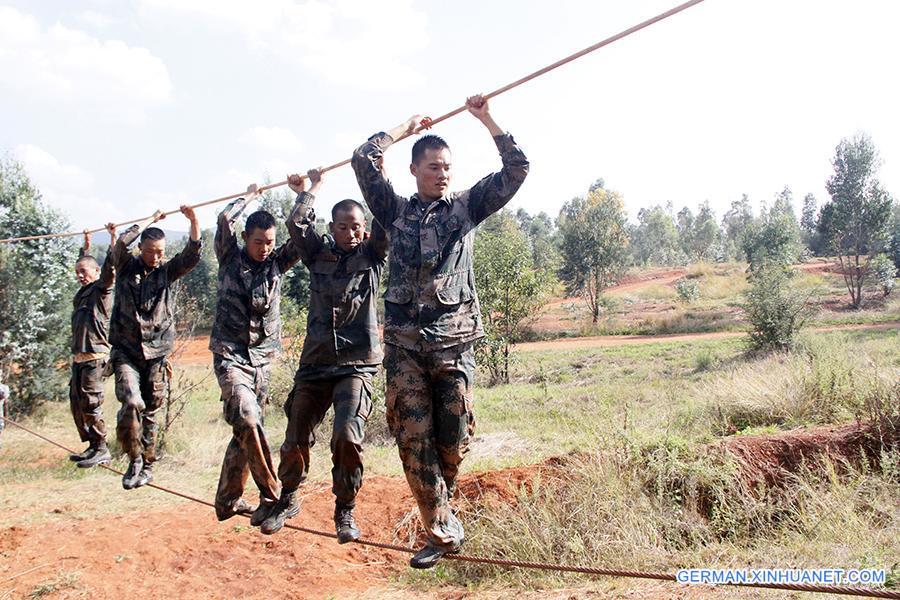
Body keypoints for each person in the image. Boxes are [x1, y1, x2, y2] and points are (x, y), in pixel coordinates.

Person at [352, 94, 529, 568]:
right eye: (432, 166)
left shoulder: (465, 209)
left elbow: (517, 169)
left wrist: (485, 118)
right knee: (413, 438)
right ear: (414, 170)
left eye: (447, 166)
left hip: (454, 346)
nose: (442, 173)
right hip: (405, 348)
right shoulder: (393, 211)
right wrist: (401, 130)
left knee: (453, 440)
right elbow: (362, 159)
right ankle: (440, 530)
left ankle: (441, 508)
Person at [264, 168, 387, 541]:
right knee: (296, 432)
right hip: (315, 363)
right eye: (343, 227)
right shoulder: (316, 253)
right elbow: (296, 221)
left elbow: (387, 211)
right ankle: (288, 497)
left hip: (357, 365)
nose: (351, 233)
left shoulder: (373, 254)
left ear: (365, 228)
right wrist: (312, 188)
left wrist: (378, 170)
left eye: (356, 226)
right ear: (331, 228)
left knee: (347, 436)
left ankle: (345, 509)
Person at [209, 183, 308, 527]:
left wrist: (305, 194)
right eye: (258, 242)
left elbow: (301, 232)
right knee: (249, 419)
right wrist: (249, 197)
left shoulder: (278, 263)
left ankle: (227, 500)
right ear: (245, 238)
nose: (265, 249)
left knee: (244, 431)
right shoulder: (229, 256)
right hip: (230, 357)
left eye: (269, 242)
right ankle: (272, 495)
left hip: (262, 361)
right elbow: (224, 218)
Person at [108, 206, 201, 489]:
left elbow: (192, 254)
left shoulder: (166, 272)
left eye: (160, 251)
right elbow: (121, 243)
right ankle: (133, 458)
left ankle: (146, 465)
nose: (156, 256)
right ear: (141, 249)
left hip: (157, 353)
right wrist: (150, 219)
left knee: (150, 411)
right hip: (127, 351)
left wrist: (194, 221)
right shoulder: (126, 266)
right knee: (132, 403)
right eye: (151, 251)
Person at [67, 226, 117, 468]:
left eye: (84, 271)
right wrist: (85, 245)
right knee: (77, 403)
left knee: (91, 403)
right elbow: (84, 261)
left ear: (97, 273)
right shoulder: (82, 293)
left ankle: (102, 448)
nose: (80, 275)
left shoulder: (101, 291)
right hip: (79, 359)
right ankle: (92, 446)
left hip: (95, 358)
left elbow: (111, 265)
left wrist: (112, 237)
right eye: (77, 272)